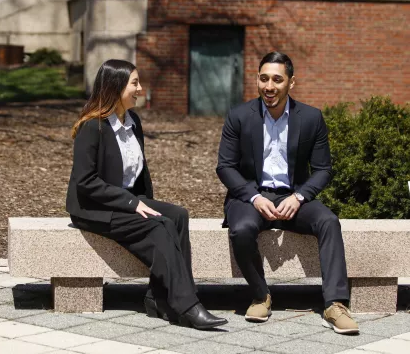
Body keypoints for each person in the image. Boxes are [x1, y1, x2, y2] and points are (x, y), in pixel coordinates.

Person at [66, 59, 227, 330]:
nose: (140, 88)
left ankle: (158, 298)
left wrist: (144, 201)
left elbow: (138, 172)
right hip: (94, 208)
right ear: (116, 87)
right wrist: (132, 204)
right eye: (135, 83)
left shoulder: (133, 121)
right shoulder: (92, 128)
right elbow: (86, 182)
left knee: (177, 216)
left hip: (125, 199)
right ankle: (187, 305)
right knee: (160, 224)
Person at [216, 51, 359, 334]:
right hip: (251, 195)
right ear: (257, 80)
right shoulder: (239, 116)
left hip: (294, 196)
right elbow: (225, 167)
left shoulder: (311, 118)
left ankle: (335, 304)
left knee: (329, 222)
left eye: (277, 79)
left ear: (291, 83)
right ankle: (260, 295)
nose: (270, 86)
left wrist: (300, 197)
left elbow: (323, 169)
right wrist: (254, 197)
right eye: (264, 78)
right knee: (242, 229)